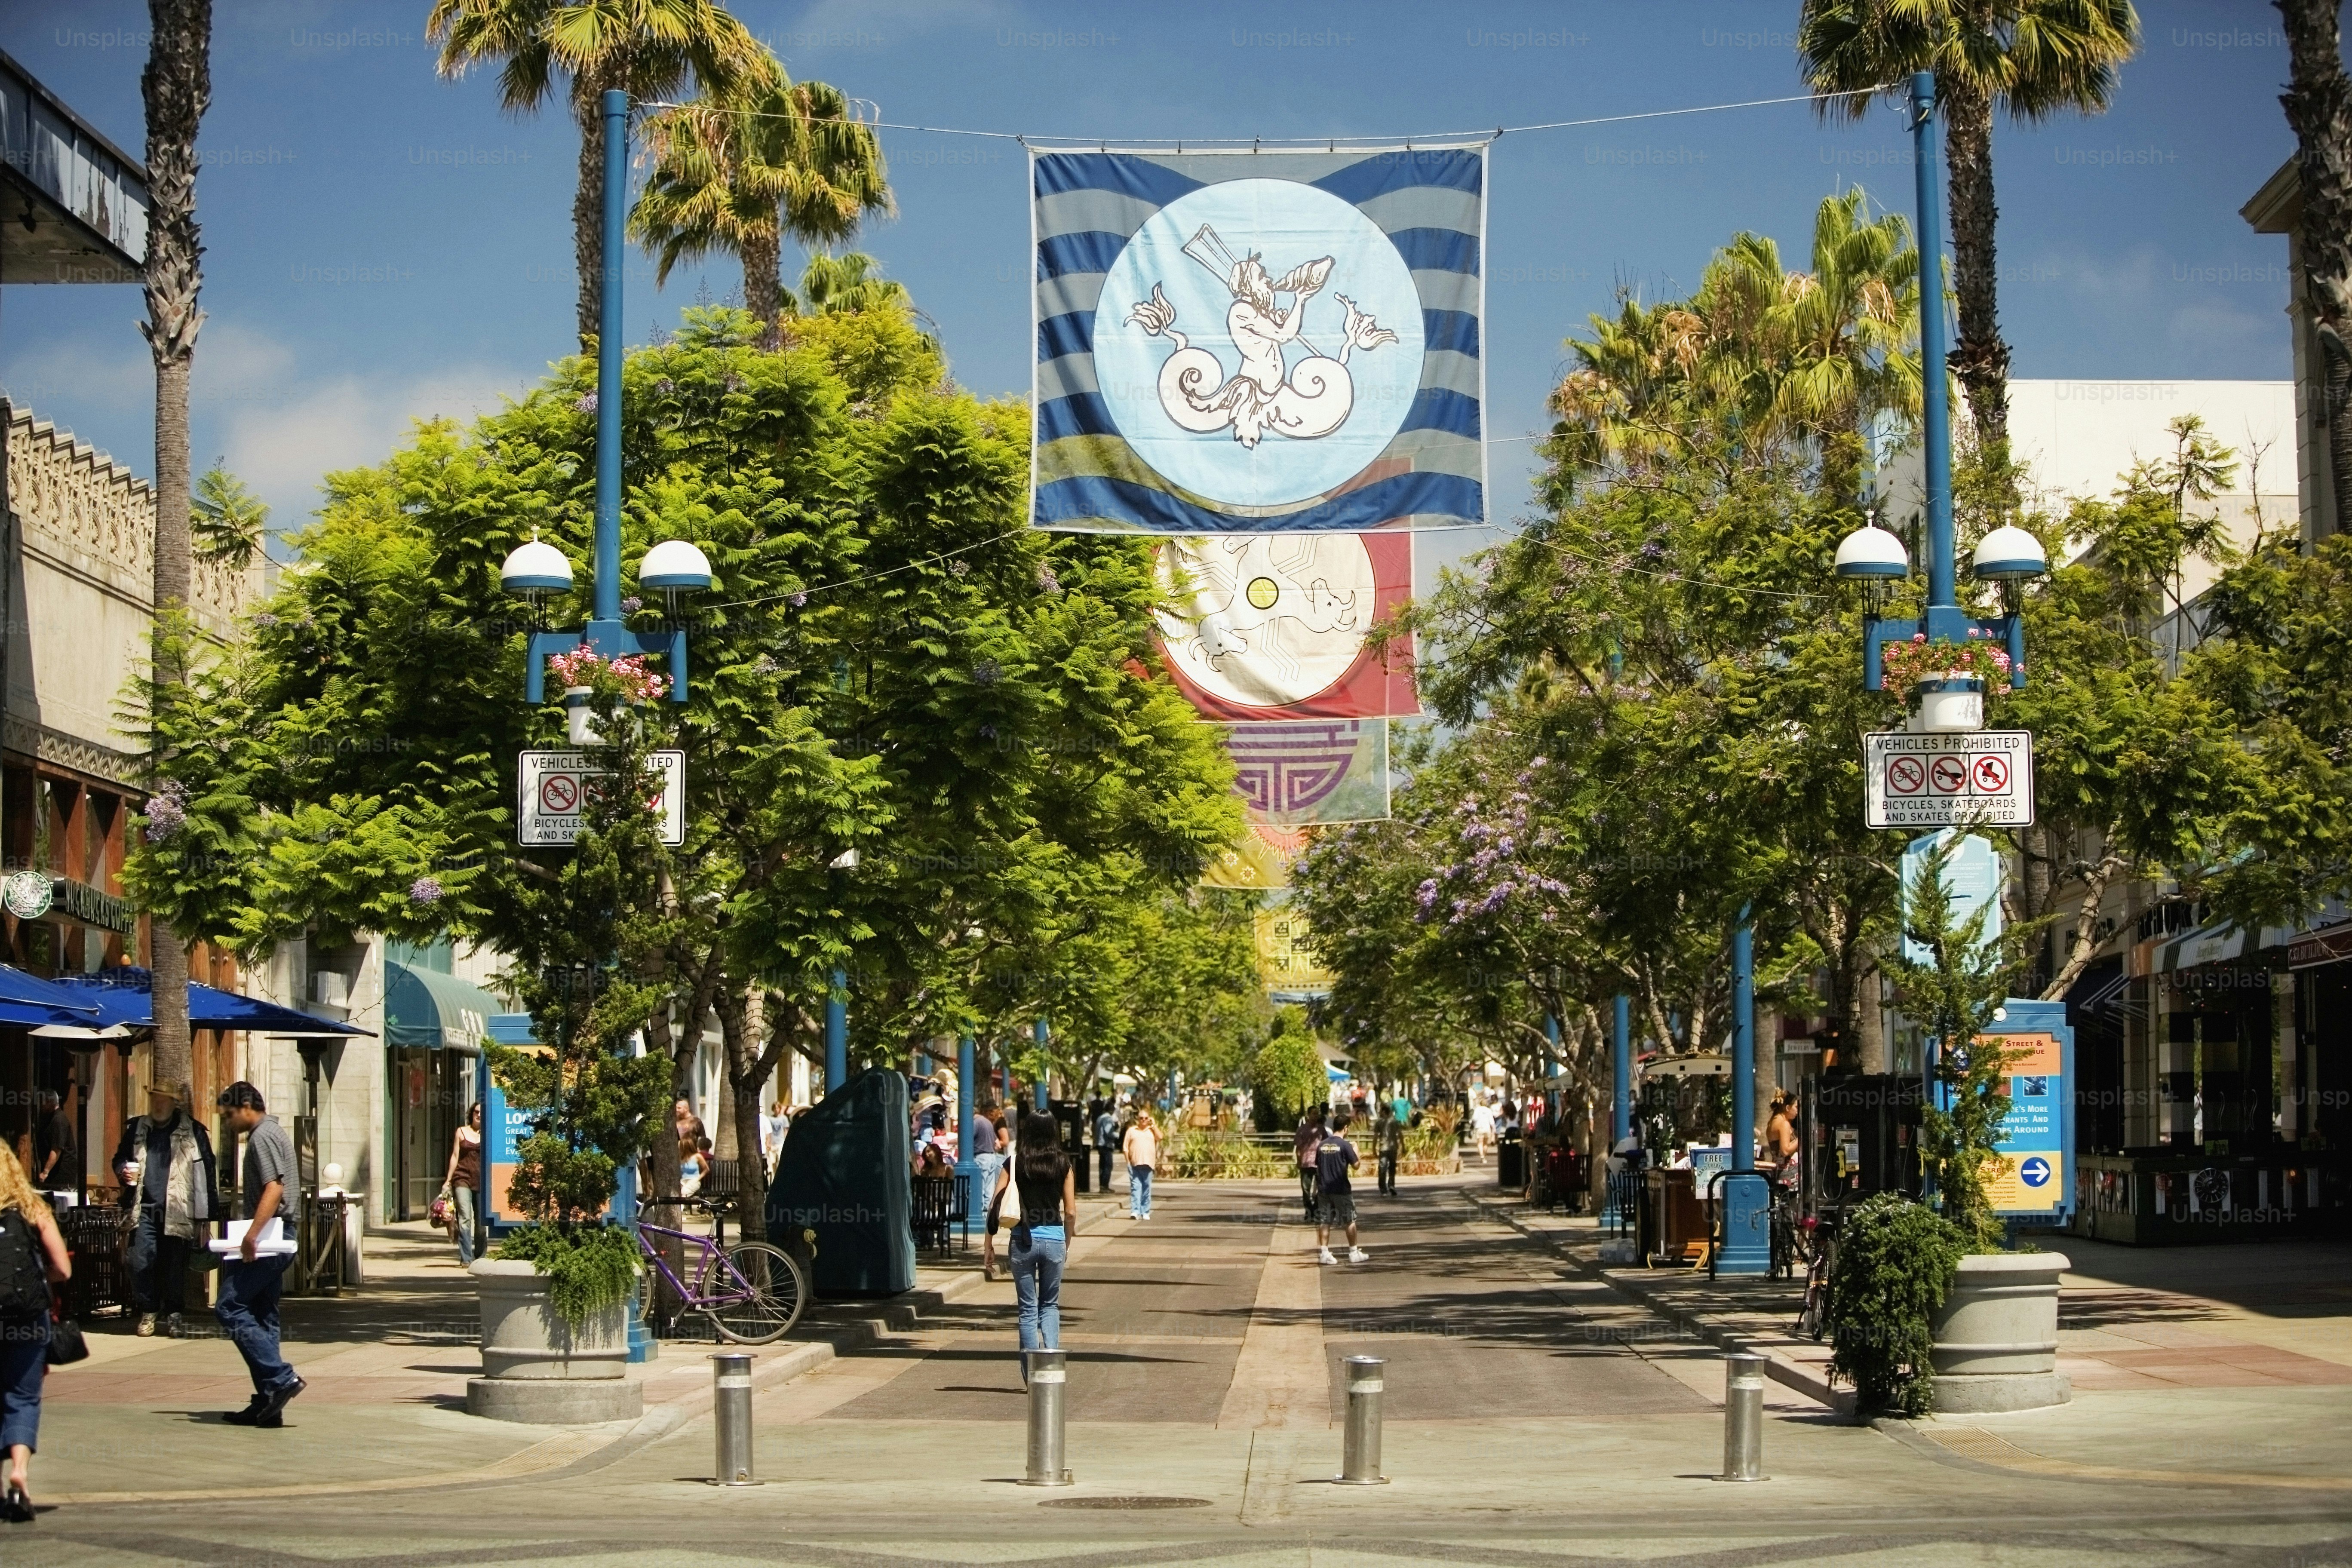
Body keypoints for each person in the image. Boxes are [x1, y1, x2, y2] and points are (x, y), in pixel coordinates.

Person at [214, 1083, 304, 1427]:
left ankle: (280, 1379)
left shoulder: (263, 1136)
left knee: (229, 1306)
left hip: (270, 1237)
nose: (228, 1122)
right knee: (263, 1314)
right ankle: (269, 1401)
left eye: (230, 1114)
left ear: (248, 1105)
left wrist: (252, 1235)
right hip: (277, 1235)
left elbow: (274, 1187)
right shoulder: (272, 1133)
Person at [111, 1084, 219, 1338]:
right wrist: (122, 1171)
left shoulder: (192, 1131)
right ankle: (149, 1309)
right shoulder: (137, 1128)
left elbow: (207, 1172)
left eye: (164, 1100)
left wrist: (206, 1217)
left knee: (174, 1267)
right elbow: (119, 1158)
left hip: (179, 1209)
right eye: (154, 1100)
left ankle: (174, 1316)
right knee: (138, 1261)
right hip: (144, 1208)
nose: (158, 1105)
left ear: (174, 1104)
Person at [0, 1142, 70, 1523]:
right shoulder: (32, 1208)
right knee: (22, 1397)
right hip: (26, 1317)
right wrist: (39, 1281)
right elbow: (63, 1268)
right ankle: (20, 1476)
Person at [995, 1112, 1075, 1383]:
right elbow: (1072, 1211)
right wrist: (1067, 1240)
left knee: (1028, 1309)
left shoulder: (1014, 1163)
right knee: (1050, 1305)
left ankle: (1031, 1376)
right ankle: (1051, 1371)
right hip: (1054, 1239)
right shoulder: (1063, 1164)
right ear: (1054, 1131)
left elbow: (996, 1206)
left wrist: (987, 1247)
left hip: (1023, 1240)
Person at [1314, 1111, 1367, 1264]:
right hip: (1341, 1189)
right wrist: (1356, 1151)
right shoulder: (1345, 1145)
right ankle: (1353, 1252)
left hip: (1324, 1189)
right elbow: (1356, 1166)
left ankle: (1324, 1252)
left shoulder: (1322, 1145)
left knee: (1325, 1221)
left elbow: (1318, 1165)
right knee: (1349, 1221)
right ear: (1346, 1128)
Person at [441, 1101, 484, 1266]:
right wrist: (449, 1180)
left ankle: (480, 1256)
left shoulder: (488, 1134)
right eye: (476, 1112)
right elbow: (455, 1156)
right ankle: (466, 1257)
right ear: (472, 1114)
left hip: (481, 1181)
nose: (479, 1115)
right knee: (465, 1217)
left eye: (482, 1113)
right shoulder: (461, 1132)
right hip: (462, 1179)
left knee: (481, 1221)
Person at [32, 1092, 77, 1198]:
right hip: (57, 1174)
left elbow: (57, 1149)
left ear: (49, 1102)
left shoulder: (59, 1120)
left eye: (43, 1103)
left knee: (60, 1203)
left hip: (62, 1175)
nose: (41, 1106)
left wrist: (45, 1172)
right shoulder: (51, 1119)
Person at [1293, 1104, 1328, 1223]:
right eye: (1313, 1113)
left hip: (1319, 1163)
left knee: (1321, 1189)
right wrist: (1299, 1161)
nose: (1316, 1116)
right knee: (1306, 1189)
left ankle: (1316, 1211)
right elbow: (1298, 1147)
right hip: (1306, 1163)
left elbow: (1326, 1145)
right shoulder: (1302, 1129)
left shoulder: (1321, 1129)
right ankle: (1309, 1211)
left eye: (1317, 1113)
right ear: (1308, 1115)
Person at [1122, 1109, 1158, 1220]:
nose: (1143, 1120)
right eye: (1141, 1118)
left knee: (1147, 1189)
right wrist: (1128, 1162)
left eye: (1146, 1118)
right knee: (1136, 1188)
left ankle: (1145, 1212)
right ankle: (1135, 1211)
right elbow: (1125, 1148)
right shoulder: (1132, 1131)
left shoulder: (1152, 1131)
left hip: (1149, 1165)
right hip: (1135, 1165)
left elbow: (1160, 1137)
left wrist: (1154, 1125)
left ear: (1149, 1119)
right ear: (1138, 1119)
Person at [1762, 1092, 1800, 1185]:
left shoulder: (1773, 1121)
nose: (1798, 1111)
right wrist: (1801, 1139)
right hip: (1788, 1175)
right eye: (1796, 1107)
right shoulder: (1784, 1124)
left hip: (1779, 1172)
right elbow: (1785, 1151)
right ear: (1788, 1108)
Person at [1376, 1103, 1404, 1197]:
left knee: (1382, 1169)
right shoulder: (1395, 1122)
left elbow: (1376, 1137)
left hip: (1383, 1148)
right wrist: (1403, 1146)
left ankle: (1383, 1190)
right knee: (1392, 1168)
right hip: (1393, 1148)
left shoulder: (1379, 1122)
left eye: (1381, 1111)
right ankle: (1391, 1186)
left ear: (1384, 1112)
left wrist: (1373, 1149)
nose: (1380, 1113)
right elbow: (1400, 1135)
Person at [1091, 1099, 1117, 1193]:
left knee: (1102, 1166)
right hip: (1107, 1145)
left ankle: (1102, 1186)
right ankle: (1105, 1186)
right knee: (1108, 1166)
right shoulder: (1108, 1119)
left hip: (1100, 1144)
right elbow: (1109, 1133)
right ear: (1112, 1110)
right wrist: (1118, 1135)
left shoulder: (1100, 1118)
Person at [1470, 1096, 1498, 1162]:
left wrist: (1472, 1125)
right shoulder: (1489, 1110)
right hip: (1487, 1128)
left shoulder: (1477, 1109)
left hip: (1479, 1128)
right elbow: (1492, 1121)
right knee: (1485, 1144)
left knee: (1480, 1143)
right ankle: (1484, 1156)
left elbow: (1474, 1119)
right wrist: (1494, 1130)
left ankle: (1482, 1157)